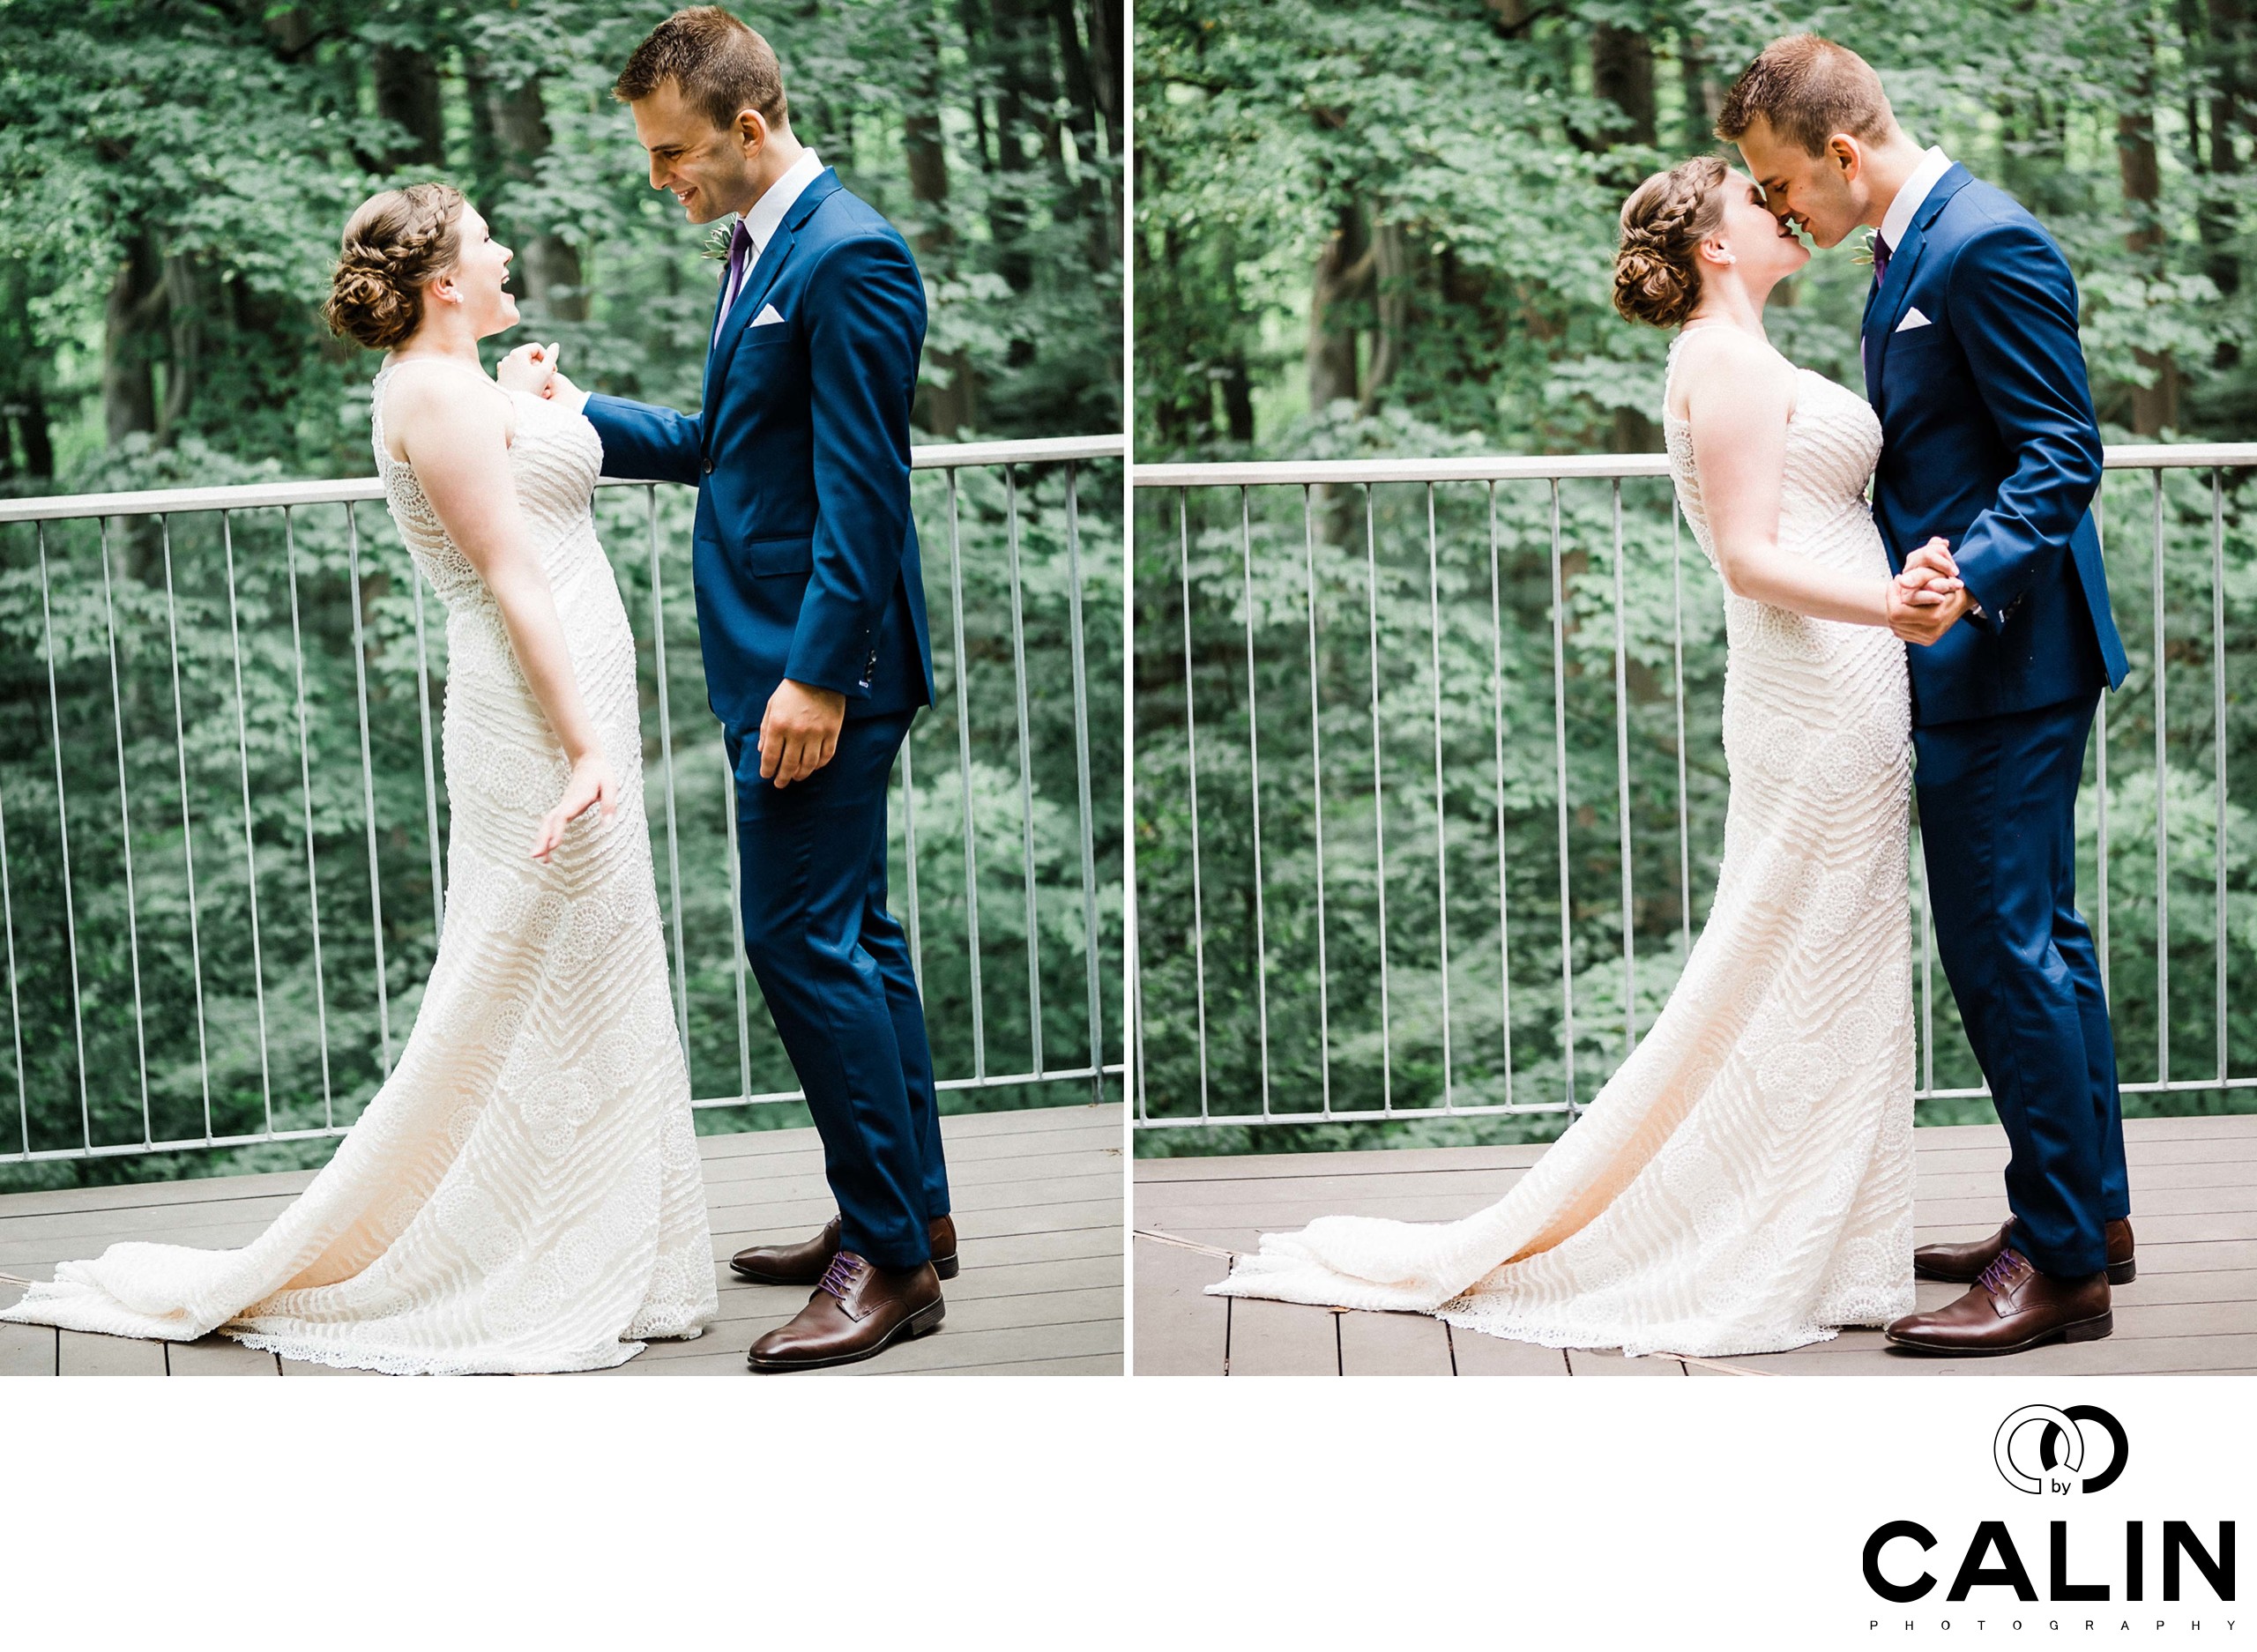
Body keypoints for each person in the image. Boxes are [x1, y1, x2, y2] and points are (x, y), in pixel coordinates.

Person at [0, 183, 719, 1373]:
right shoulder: (431, 393)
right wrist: (586, 744)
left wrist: (536, 396)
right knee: (517, 978)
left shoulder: (464, 384)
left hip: (573, 708)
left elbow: (519, 471)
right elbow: (511, 575)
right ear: (445, 282)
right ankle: (498, 1249)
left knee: (594, 965)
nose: (502, 252)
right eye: (485, 241)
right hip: (536, 721)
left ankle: (614, 1247)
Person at [513, 6, 951, 1373]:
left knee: (798, 941)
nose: (664, 179)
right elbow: (728, 442)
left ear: (749, 128)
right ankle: (908, 1218)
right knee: (855, 937)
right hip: (779, 659)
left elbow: (867, 494)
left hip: (817, 672)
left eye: (672, 153)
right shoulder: (761, 249)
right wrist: (572, 413)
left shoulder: (852, 254)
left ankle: (884, 1266)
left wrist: (816, 678)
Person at [1724, 33, 2131, 1355]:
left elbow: (2065, 450)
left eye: (1783, 188)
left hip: (2003, 658)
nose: (1781, 214)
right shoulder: (1908, 247)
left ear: (1843, 154)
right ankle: (2089, 1214)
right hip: (1986, 660)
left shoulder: (1983, 241)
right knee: (2045, 942)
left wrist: (1972, 579)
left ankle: (2060, 1264)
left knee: (2004, 951)